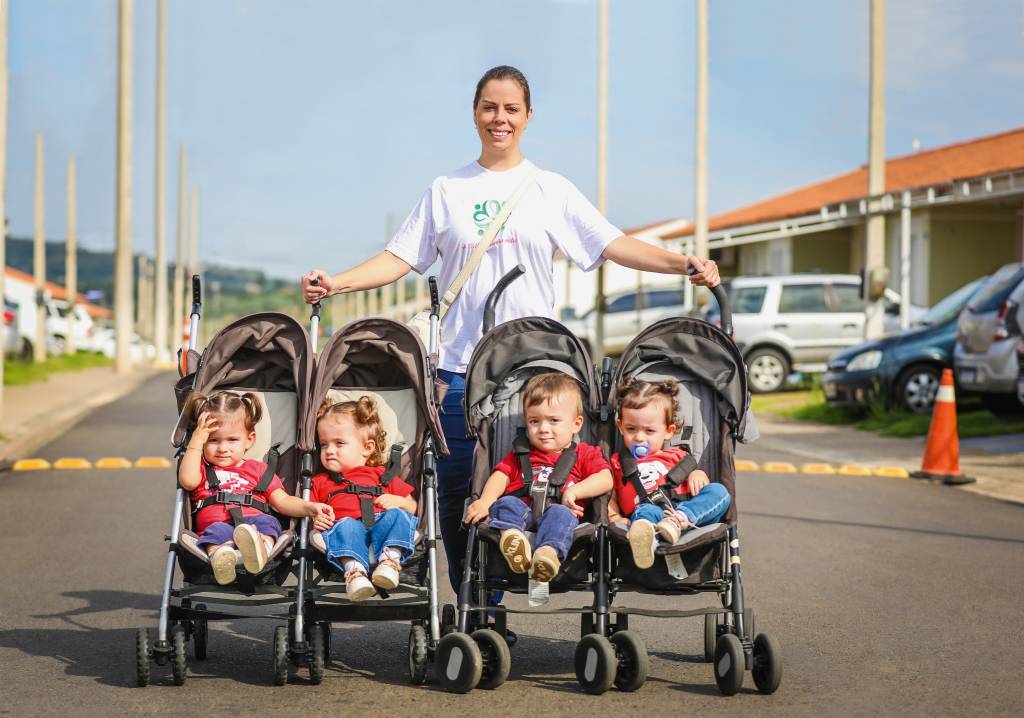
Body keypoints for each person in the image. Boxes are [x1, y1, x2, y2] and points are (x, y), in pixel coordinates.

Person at [302, 64, 721, 590]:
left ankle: (532, 578)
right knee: (458, 491)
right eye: (489, 108)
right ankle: (476, 603)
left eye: (511, 109)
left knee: (534, 485)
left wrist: (680, 263)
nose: (499, 118)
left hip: (534, 372)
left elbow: (613, 243)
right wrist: (336, 283)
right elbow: (400, 258)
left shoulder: (549, 189)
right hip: (458, 367)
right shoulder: (446, 188)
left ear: (527, 117)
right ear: (475, 113)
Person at [464, 372, 611, 581]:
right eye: (534, 421)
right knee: (504, 503)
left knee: (561, 515)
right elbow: (500, 476)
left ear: (577, 424)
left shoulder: (584, 454)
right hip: (521, 512)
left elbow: (605, 478)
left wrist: (574, 491)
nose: (543, 429)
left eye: (553, 421)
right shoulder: (521, 453)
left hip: (557, 510)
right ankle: (512, 540)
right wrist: (486, 500)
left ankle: (547, 554)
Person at [179, 391, 334, 585]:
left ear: (249, 440)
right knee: (215, 534)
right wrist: (195, 441)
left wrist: (309, 507)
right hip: (218, 523)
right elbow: (187, 481)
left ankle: (260, 550)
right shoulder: (202, 468)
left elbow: (282, 501)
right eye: (212, 440)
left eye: (232, 440)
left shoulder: (258, 470)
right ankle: (222, 558)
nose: (222, 448)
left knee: (269, 524)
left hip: (256, 523)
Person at [606, 378, 731, 569]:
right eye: (631, 429)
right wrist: (614, 516)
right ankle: (647, 542)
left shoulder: (677, 456)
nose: (639, 437)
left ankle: (678, 520)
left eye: (649, 431)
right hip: (649, 511)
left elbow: (701, 483)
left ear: (668, 431)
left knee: (719, 491)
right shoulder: (617, 462)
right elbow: (610, 495)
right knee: (644, 513)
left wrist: (697, 474)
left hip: (687, 512)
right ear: (620, 427)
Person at [309, 397, 418, 601]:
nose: (329, 450)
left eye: (339, 443)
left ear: (367, 448)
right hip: (346, 530)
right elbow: (311, 509)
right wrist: (316, 516)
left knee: (398, 515)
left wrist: (399, 501)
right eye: (323, 445)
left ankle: (390, 562)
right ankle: (355, 573)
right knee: (346, 526)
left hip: (382, 529)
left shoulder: (384, 476)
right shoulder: (320, 481)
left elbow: (413, 506)